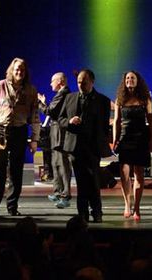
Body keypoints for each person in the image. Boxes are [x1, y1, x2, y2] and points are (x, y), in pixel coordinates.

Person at [0, 58, 40, 216]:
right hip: (0, 130)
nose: (19, 72)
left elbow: (35, 116)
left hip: (20, 131)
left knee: (16, 170)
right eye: (16, 69)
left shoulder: (31, 90)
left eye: (22, 69)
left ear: (25, 71)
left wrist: (35, 139)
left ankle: (12, 206)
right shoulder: (0, 86)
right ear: (11, 70)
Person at [58, 69, 112, 223]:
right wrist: (69, 121)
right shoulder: (69, 98)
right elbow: (60, 119)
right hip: (75, 147)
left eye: (84, 82)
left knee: (94, 181)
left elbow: (103, 126)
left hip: (92, 147)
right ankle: (82, 214)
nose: (81, 84)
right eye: (79, 82)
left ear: (92, 82)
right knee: (81, 182)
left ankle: (97, 212)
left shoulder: (102, 101)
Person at [113, 71, 152, 222]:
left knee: (139, 174)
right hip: (125, 138)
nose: (130, 80)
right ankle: (127, 204)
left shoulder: (145, 99)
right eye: (128, 78)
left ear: (138, 81)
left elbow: (151, 120)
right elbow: (117, 121)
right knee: (124, 173)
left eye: (133, 78)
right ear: (124, 81)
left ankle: (137, 207)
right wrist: (115, 139)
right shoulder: (120, 99)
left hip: (141, 138)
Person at [38, 72, 73, 209]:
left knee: (62, 165)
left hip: (60, 134)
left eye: (53, 81)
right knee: (56, 164)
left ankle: (65, 195)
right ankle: (58, 192)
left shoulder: (63, 94)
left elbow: (50, 112)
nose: (50, 84)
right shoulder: (61, 94)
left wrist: (41, 103)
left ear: (60, 81)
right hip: (55, 134)